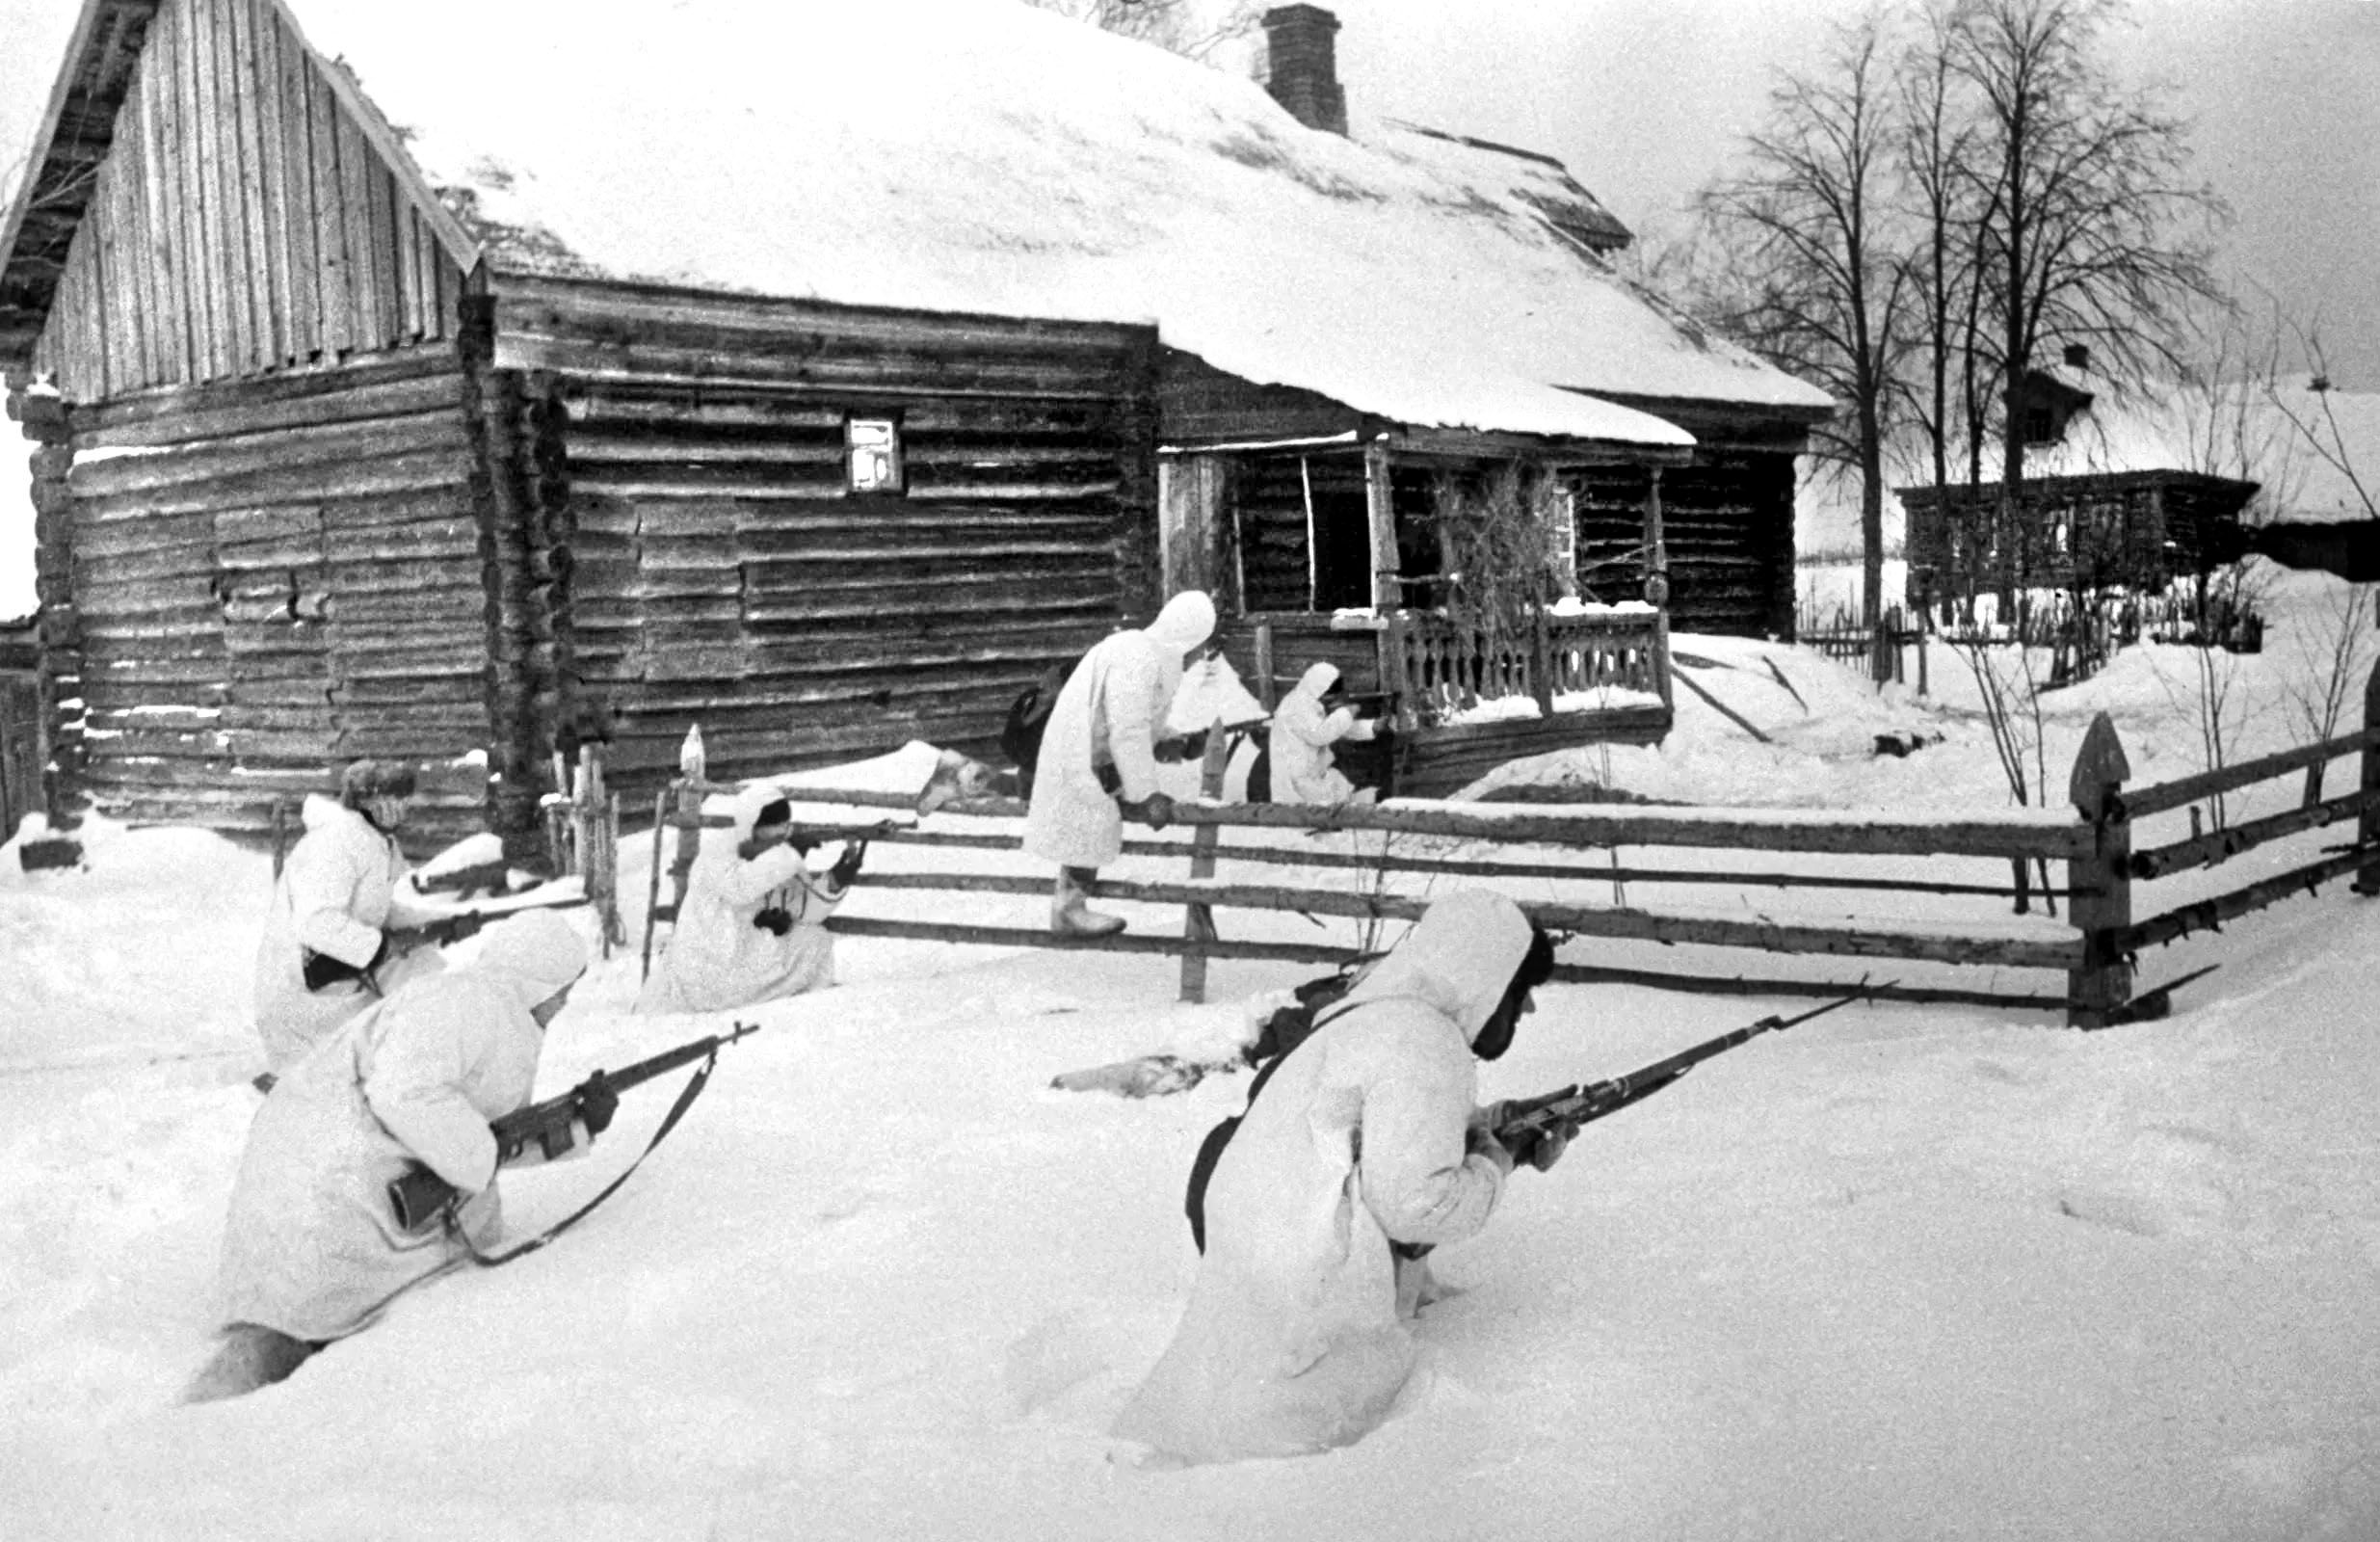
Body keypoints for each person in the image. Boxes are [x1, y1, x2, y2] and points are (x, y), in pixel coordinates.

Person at [1113, 889, 1561, 1466]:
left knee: (1217, 1437)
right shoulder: (1424, 1040)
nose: (1524, 1011)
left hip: (1257, 1263)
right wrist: (1497, 1161)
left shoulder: (1368, 1015)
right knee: (1288, 1471)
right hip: (1311, 1302)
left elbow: (1364, 1133)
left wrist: (1483, 1129)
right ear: (1488, 981)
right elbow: (1417, 1206)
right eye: (1520, 991)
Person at [189, 910, 599, 1402]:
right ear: (538, 978)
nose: (564, 1001)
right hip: (327, 1164)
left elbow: (488, 1135)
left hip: (335, 1158)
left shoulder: (496, 1012)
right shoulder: (469, 1003)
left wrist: (576, 1127)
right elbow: (408, 1096)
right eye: (562, 987)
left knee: (311, 1313)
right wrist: (480, 1160)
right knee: (290, 1323)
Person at [251, 759, 464, 1077]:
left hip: (339, 966)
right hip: (305, 989)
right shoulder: (335, 843)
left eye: (406, 799)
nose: (405, 808)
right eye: (396, 800)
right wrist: (383, 947)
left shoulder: (376, 841)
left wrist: (439, 923)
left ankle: (426, 1067)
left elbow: (379, 909)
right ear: (369, 803)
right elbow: (317, 923)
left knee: (428, 974)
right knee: (417, 988)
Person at [1023, 589, 1216, 936]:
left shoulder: (1156, 654)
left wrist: (1174, 737)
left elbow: (1142, 721)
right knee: (1092, 818)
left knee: (1094, 819)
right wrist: (1148, 795)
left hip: (1097, 752)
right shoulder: (1137, 655)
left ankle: (1069, 905)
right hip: (1081, 751)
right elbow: (1127, 730)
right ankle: (1068, 910)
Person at [636, 791, 865, 1014]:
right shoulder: (718, 852)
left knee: (816, 940)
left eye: (786, 825)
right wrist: (787, 853)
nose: (783, 831)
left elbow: (803, 909)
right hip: (704, 963)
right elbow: (740, 887)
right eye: (775, 825)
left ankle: (802, 1011)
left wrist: (835, 881)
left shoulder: (777, 857)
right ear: (751, 825)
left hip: (744, 958)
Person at [1266, 663, 1389, 806]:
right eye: (1330, 695)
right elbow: (1321, 734)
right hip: (1297, 782)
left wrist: (1371, 727)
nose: (1331, 699)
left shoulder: (1310, 703)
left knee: (1339, 794)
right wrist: (1347, 712)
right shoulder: (1296, 706)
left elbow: (1334, 728)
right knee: (1322, 809)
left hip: (1313, 776)